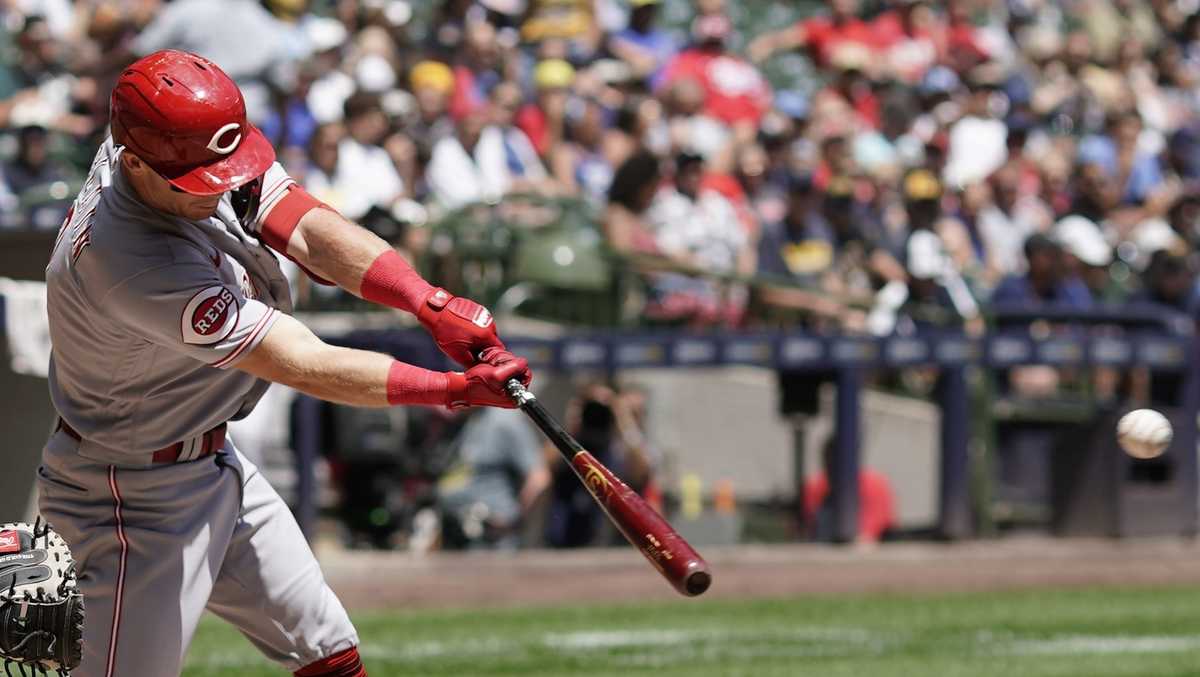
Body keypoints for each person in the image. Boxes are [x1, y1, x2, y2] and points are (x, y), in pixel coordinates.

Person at [38, 50, 532, 677]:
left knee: (329, 652)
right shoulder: (128, 260)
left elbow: (296, 220)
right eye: (202, 180)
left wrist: (426, 300)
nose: (222, 186)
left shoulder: (154, 144)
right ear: (134, 161)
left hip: (210, 461)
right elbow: (300, 360)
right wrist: (452, 389)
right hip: (130, 496)